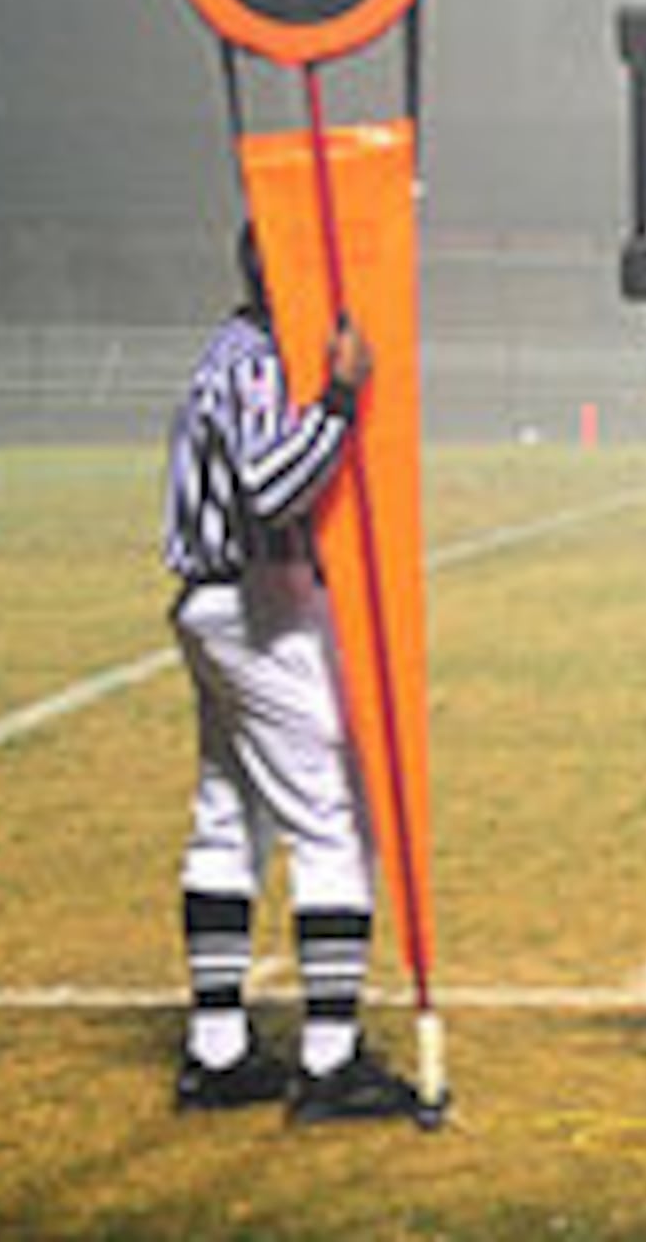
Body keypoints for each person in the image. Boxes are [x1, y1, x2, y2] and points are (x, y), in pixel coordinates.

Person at [163, 223, 431, 1122]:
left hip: (227, 602)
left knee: (229, 815)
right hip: (257, 601)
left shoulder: (235, 350)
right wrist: (341, 401)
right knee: (334, 818)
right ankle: (328, 1059)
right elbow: (274, 488)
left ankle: (217, 1050)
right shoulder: (255, 361)